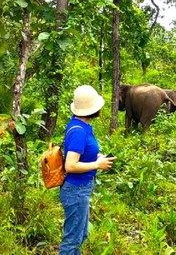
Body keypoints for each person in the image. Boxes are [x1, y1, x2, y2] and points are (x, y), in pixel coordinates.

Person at [60, 85, 116, 255]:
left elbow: (83, 152)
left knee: (80, 235)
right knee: (72, 240)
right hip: (76, 190)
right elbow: (70, 165)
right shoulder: (79, 132)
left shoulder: (81, 125)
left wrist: (97, 156)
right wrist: (97, 165)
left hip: (81, 189)